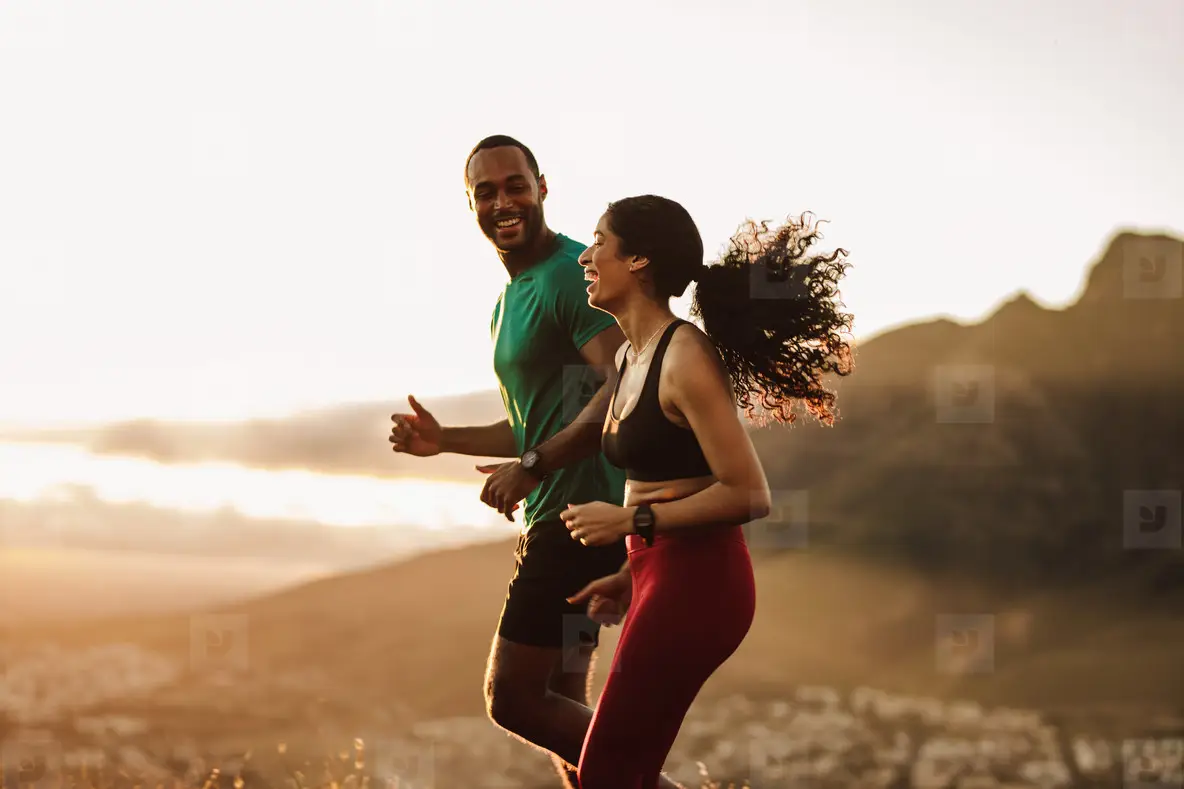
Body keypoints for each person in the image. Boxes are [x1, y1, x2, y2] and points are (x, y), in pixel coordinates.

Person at [388, 137, 682, 789]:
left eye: (514, 184)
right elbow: (534, 421)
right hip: (569, 520)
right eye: (485, 192)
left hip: (580, 522)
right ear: (471, 206)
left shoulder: (573, 273)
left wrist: (534, 462)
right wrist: (446, 441)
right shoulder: (510, 299)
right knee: (561, 702)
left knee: (513, 697)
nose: (503, 201)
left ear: (542, 186)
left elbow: (621, 385)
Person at [559, 195, 855, 788]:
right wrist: (630, 572)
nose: (585, 257)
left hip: (702, 586)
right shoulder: (628, 354)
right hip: (657, 575)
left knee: (606, 774)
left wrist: (629, 525)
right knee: (619, 770)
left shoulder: (685, 355)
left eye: (599, 242)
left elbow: (749, 494)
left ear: (639, 259)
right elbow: (665, 478)